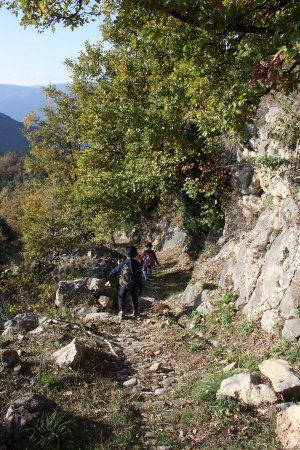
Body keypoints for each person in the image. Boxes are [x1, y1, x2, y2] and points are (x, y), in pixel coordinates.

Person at [109, 245, 143, 320]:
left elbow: (114, 271)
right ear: (135, 254)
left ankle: (121, 312)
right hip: (134, 284)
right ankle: (135, 312)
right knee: (134, 298)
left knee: (121, 296)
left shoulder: (123, 263)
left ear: (125, 253)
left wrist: (110, 277)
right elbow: (139, 276)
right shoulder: (137, 263)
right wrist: (140, 287)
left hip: (124, 284)